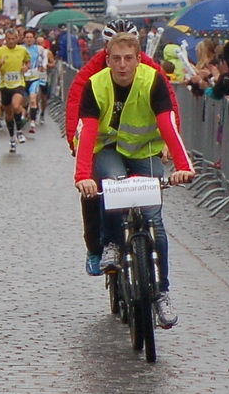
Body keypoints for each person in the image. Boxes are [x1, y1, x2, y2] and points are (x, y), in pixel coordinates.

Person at [73, 34, 196, 328]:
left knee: (154, 221)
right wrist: (83, 176)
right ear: (107, 60)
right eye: (116, 59)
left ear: (138, 60)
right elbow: (88, 132)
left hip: (145, 151)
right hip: (108, 149)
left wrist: (183, 166)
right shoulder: (95, 85)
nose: (122, 65)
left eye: (128, 59)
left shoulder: (152, 81)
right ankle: (112, 243)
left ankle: (161, 293)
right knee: (113, 184)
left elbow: (167, 125)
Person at [0, 26, 33, 152]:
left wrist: (26, 67)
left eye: (13, 39)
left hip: (18, 84)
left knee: (16, 106)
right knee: (9, 115)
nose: (10, 41)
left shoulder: (22, 50)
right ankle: (11, 138)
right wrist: (0, 65)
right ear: (5, 39)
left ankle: (19, 131)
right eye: (8, 39)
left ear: (17, 38)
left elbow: (28, 61)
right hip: (5, 86)